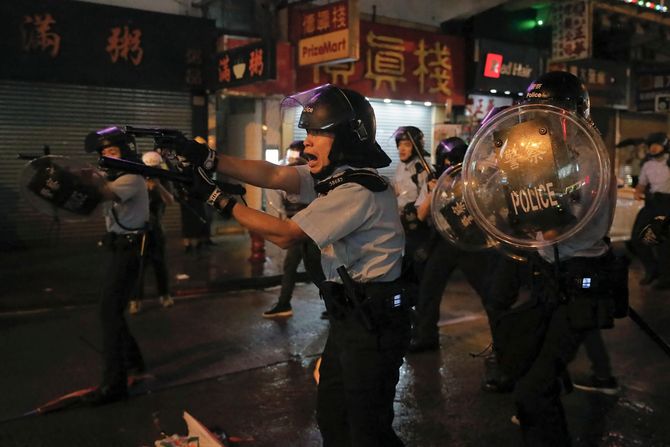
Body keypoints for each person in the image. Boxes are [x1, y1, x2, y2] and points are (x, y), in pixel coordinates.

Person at [176, 84, 412, 446]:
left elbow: (285, 234)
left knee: (368, 429)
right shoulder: (333, 178)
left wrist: (217, 199)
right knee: (334, 416)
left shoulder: (358, 190)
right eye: (307, 133)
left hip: (374, 324)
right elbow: (272, 175)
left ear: (347, 137)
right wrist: (208, 158)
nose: (308, 143)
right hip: (349, 318)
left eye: (319, 133)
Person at [490, 71, 625, 446]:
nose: (540, 120)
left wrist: (520, 197)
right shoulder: (544, 157)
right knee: (527, 370)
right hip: (549, 276)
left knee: (533, 389)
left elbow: (549, 228)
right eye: (534, 111)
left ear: (571, 114)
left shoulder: (585, 162)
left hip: (580, 279)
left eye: (548, 111)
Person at [408, 137, 499, 355]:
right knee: (429, 289)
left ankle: (501, 341)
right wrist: (434, 191)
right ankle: (426, 336)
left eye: (455, 160)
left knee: (491, 295)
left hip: (471, 242)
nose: (451, 165)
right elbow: (420, 215)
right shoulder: (435, 181)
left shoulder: (475, 180)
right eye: (447, 160)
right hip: (443, 241)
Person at [82, 126, 149, 404]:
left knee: (108, 311)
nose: (108, 156)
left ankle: (114, 384)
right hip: (118, 247)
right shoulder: (116, 177)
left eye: (113, 151)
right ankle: (134, 362)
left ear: (125, 152)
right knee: (113, 310)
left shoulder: (131, 178)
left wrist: (86, 177)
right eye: (104, 152)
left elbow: (104, 193)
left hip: (129, 250)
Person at [263, 140, 325, 318]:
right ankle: (284, 303)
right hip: (295, 230)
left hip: (312, 233)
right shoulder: (287, 180)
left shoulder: (315, 181)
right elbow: (279, 201)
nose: (290, 164)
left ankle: (335, 304)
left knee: (316, 268)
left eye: (295, 160)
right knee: (290, 266)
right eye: (289, 158)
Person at [128, 151, 175, 315]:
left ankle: (164, 294)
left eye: (155, 168)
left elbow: (170, 200)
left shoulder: (162, 180)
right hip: (138, 228)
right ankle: (135, 299)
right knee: (138, 266)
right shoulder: (137, 180)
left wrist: (158, 186)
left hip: (156, 228)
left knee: (159, 264)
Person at [630, 132, 670, 288]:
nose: (653, 148)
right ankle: (652, 270)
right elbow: (641, 184)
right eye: (650, 145)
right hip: (652, 203)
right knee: (637, 237)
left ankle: (665, 278)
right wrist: (638, 192)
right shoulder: (647, 164)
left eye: (656, 144)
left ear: (664, 145)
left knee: (664, 244)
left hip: (668, 204)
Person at [392, 126, 432, 280]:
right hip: (400, 225)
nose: (401, 149)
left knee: (417, 269)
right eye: (400, 144)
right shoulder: (401, 166)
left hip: (417, 227)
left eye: (407, 145)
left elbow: (426, 203)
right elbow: (396, 189)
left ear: (416, 147)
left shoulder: (423, 169)